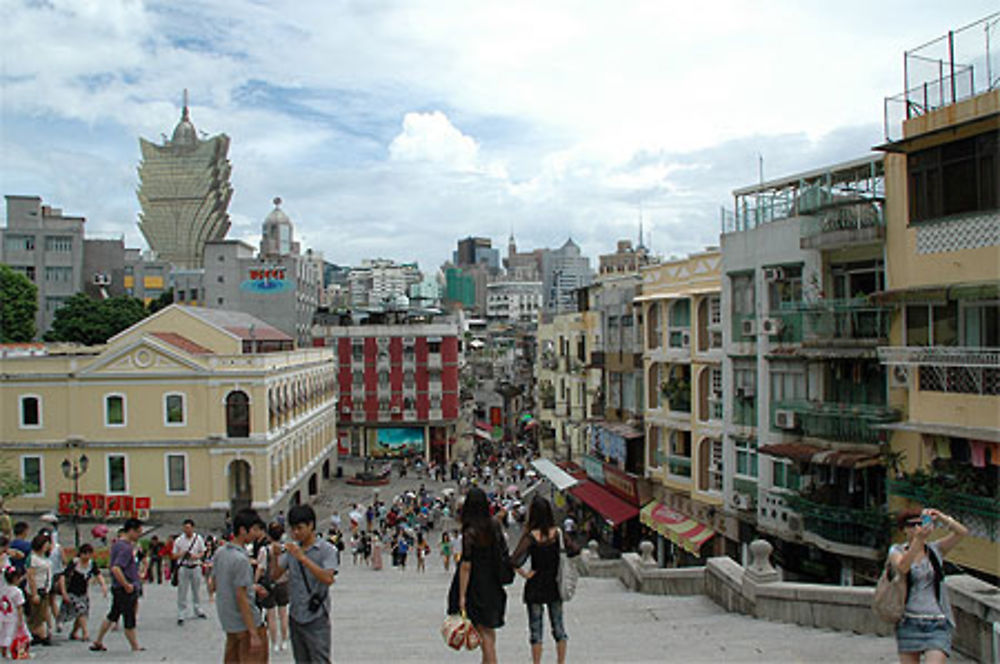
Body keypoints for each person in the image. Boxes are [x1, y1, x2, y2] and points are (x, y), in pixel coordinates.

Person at [889, 507, 968, 664]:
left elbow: (961, 533)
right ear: (904, 529)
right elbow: (903, 567)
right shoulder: (896, 550)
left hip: (937, 622)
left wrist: (941, 517)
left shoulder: (935, 550)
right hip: (909, 622)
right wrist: (918, 540)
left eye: (920, 523)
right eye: (912, 525)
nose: (917, 528)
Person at [511, 496, 578, 664]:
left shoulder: (531, 536)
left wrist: (525, 574)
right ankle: (561, 662)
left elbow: (514, 560)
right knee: (559, 627)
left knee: (536, 630)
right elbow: (574, 550)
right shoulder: (558, 534)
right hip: (554, 584)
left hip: (535, 585)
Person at [269, 505, 337, 664]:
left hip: (317, 616)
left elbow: (328, 579)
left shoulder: (326, 550)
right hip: (296, 615)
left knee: (320, 659)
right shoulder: (292, 550)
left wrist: (303, 559)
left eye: (300, 528)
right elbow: (275, 575)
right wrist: (275, 556)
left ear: (311, 525)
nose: (296, 533)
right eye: (293, 529)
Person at [210, 508, 268, 663]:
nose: (257, 534)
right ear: (243, 530)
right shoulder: (241, 560)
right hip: (246, 623)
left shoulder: (220, 553)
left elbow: (214, 584)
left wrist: (251, 587)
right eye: (254, 529)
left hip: (229, 623)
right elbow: (241, 597)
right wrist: (254, 633)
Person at [457, 487, 507, 664]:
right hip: (493, 583)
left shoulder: (470, 532)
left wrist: (461, 596)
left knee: (484, 634)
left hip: (477, 586)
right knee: (489, 632)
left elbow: (466, 566)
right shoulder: (493, 526)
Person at [90, 518, 144, 652]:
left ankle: (98, 641)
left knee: (112, 614)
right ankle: (135, 646)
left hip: (116, 587)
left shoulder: (116, 544)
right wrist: (126, 584)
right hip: (124, 588)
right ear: (131, 531)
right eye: (138, 532)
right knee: (128, 617)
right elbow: (116, 568)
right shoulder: (126, 547)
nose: (138, 536)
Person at [57, 542, 106, 642]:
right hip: (72, 592)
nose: (87, 556)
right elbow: (63, 576)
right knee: (81, 610)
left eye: (89, 554)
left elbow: (98, 574)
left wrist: (103, 586)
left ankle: (74, 632)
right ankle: (85, 633)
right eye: (85, 554)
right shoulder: (75, 563)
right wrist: (63, 592)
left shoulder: (92, 564)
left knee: (81, 613)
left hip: (83, 593)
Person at [259, 522, 289, 654]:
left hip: (269, 584)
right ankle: (284, 641)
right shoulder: (286, 549)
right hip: (283, 583)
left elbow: (261, 568)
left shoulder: (265, 550)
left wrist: (255, 582)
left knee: (271, 615)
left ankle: (274, 643)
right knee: (283, 614)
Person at [173, 518, 208, 624]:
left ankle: (197, 608)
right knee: (182, 590)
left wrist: (196, 556)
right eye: (185, 528)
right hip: (183, 566)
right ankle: (181, 612)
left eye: (189, 528)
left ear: (193, 528)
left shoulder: (198, 539)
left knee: (196, 589)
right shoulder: (179, 540)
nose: (187, 530)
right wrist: (182, 554)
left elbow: (203, 552)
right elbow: (173, 555)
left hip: (195, 565)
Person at [26, 533, 52, 646]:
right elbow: (31, 576)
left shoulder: (44, 557)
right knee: (36, 614)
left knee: (42, 613)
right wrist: (34, 593)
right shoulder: (33, 558)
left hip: (45, 588)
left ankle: (39, 633)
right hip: (37, 588)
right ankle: (40, 634)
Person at [0, 567, 26, 658]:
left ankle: (3, 651)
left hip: (3, 615)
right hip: (13, 617)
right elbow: (19, 607)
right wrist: (21, 619)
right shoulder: (17, 591)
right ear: (15, 579)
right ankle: (14, 651)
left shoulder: (2, 589)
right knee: (12, 634)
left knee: (3, 633)